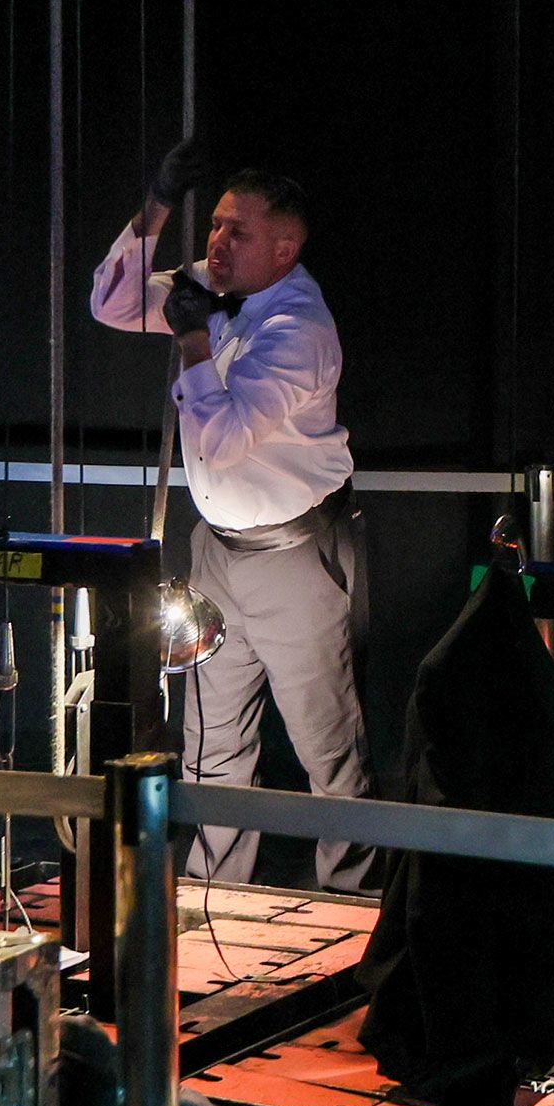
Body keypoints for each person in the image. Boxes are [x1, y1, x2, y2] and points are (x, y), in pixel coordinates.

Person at [91, 150, 373, 890]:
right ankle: (218, 895)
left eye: (236, 232)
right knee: (212, 744)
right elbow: (111, 302)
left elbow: (220, 437)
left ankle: (352, 902)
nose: (216, 243)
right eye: (213, 225)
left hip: (292, 557)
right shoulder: (214, 288)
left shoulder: (297, 330)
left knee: (326, 748)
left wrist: (192, 343)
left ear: (285, 248)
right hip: (217, 547)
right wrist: (154, 203)